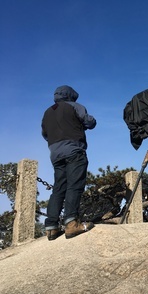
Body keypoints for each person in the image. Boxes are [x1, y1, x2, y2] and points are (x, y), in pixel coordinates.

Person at [41, 85, 96, 240]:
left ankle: (51, 227)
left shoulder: (47, 112)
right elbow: (89, 122)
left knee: (59, 188)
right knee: (75, 185)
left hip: (56, 154)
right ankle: (71, 223)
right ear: (70, 95)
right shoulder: (75, 106)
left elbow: (44, 133)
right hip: (74, 150)